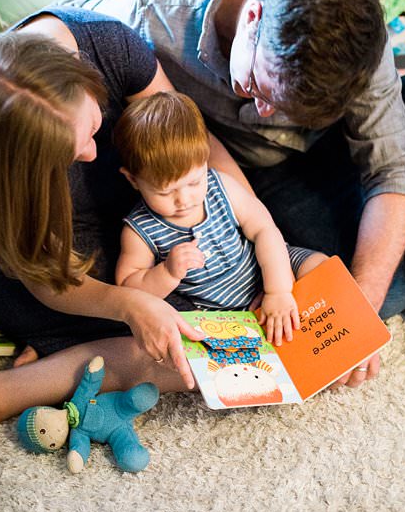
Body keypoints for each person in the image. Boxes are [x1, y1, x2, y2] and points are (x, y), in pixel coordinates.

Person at [73, 0, 405, 389]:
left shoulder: (353, 28)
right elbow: (57, 32)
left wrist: (355, 318)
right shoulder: (149, 21)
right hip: (260, 179)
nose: (264, 112)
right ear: (254, 16)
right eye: (260, 87)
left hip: (337, 141)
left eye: (279, 103)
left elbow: (391, 169)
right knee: (382, 290)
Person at [0, 14, 241, 458]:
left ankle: (57, 356)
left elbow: (192, 144)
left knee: (217, 288)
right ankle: (0, 392)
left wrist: (247, 214)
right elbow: (51, 280)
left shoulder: (110, 47)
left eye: (92, 129)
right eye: (68, 156)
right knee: (186, 337)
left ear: (83, 71)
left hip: (131, 209)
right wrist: (129, 304)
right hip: (40, 270)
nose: (93, 153)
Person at [112, 92, 324, 344]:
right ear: (133, 179)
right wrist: (166, 273)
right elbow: (128, 289)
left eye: (194, 182)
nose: (184, 199)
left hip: (270, 267)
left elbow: (264, 230)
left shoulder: (221, 186)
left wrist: (278, 290)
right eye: (165, 191)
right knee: (220, 351)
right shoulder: (140, 231)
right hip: (222, 314)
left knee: (320, 265)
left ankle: (332, 329)